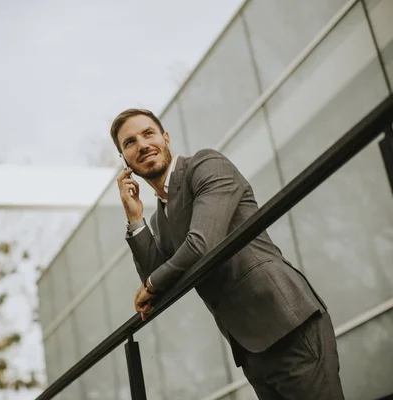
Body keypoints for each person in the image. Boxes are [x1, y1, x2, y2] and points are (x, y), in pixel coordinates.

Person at [111, 108, 344, 399]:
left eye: (148, 133)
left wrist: (151, 285)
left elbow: (201, 245)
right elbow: (157, 280)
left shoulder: (206, 165)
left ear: (166, 138)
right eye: (129, 142)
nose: (142, 144)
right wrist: (134, 218)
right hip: (249, 348)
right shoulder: (160, 219)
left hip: (288, 323)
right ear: (125, 161)